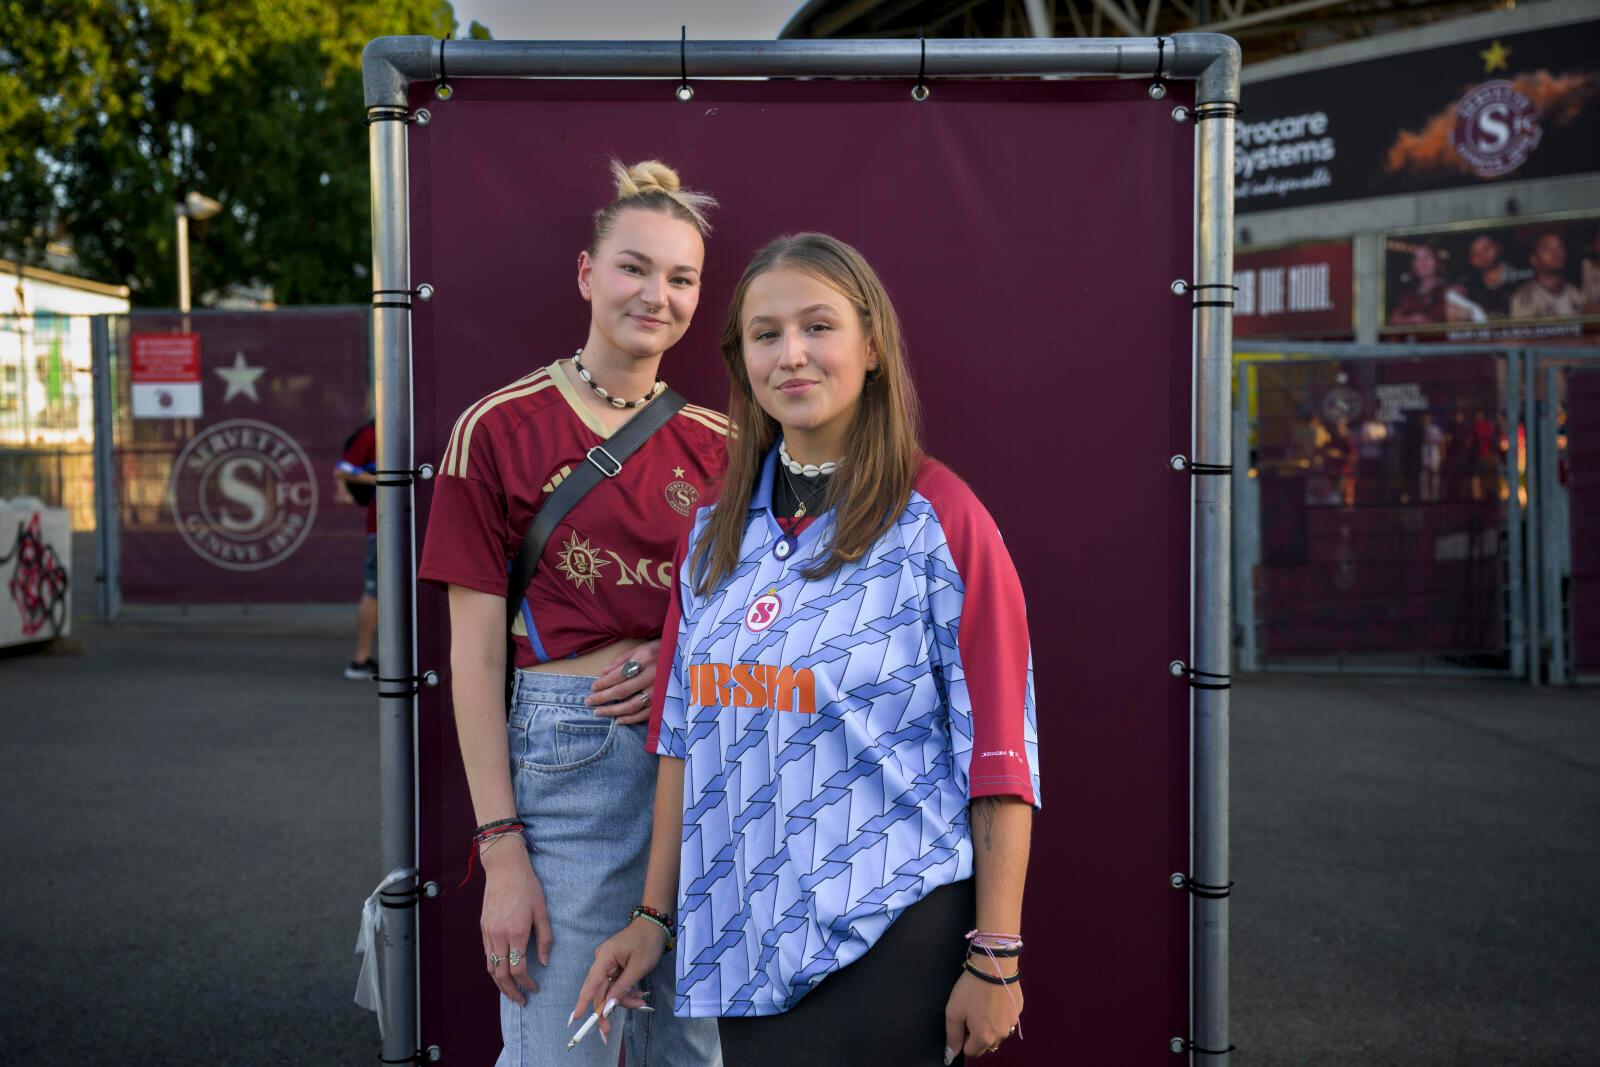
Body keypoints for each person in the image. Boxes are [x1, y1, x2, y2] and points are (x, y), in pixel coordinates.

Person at [573, 234, 1040, 1066]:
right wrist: (653, 917)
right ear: (741, 357)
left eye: (818, 326)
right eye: (765, 333)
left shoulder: (940, 517)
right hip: (741, 936)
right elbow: (682, 738)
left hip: (892, 924)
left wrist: (995, 953)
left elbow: (1001, 755)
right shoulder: (714, 531)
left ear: (870, 346)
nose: (791, 353)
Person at [417, 160, 726, 1067]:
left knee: (687, 1052)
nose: (657, 294)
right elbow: (472, 658)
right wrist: (502, 853)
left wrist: (673, 663)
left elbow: (764, 620)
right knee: (566, 1051)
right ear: (588, 275)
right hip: (568, 757)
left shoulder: (728, 446)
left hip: (704, 761)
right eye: (634, 268)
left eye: (682, 278)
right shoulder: (498, 428)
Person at [336, 418, 378, 679]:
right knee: (375, 593)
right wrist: (383, 481)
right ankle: (360, 659)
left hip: (407, 526)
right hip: (382, 528)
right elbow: (342, 469)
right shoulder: (371, 433)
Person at [1509, 232, 1583, 320]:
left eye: (1560, 247)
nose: (1556, 253)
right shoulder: (1525, 298)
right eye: (1547, 248)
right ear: (1533, 259)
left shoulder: (1575, 292)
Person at [1389, 244, 1449, 325]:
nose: (1422, 262)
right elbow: (1393, 319)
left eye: (1427, 256)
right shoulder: (1407, 295)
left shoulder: (1449, 290)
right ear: (1413, 265)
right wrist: (1412, 319)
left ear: (1436, 261)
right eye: (1417, 258)